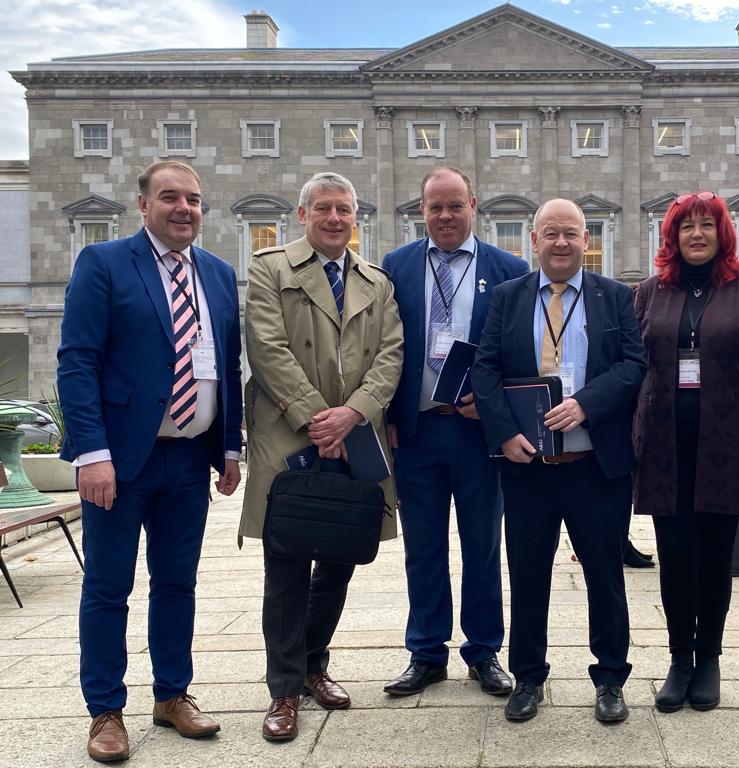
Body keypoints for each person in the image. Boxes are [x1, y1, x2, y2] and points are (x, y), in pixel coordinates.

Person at [57, 160, 243, 762]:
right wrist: (91, 452)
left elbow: (227, 366)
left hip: (189, 459)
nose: (184, 208)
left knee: (177, 585)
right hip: (120, 462)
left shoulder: (216, 273)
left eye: (193, 199)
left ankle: (172, 695)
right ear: (143, 205)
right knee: (108, 587)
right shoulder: (104, 263)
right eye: (170, 197)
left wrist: (230, 446)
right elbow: (77, 361)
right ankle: (105, 710)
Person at [238, 172, 403, 741]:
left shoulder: (375, 282)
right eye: (324, 209)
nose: (335, 219)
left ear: (355, 219)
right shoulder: (270, 268)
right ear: (302, 215)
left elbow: (391, 355)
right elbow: (266, 348)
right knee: (286, 566)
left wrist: (352, 414)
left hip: (354, 439)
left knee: (339, 559)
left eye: (345, 210)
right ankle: (283, 689)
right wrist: (317, 417)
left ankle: (314, 664)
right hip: (292, 437)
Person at [473, 198, 646, 723]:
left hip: (595, 466)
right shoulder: (508, 297)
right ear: (534, 240)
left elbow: (635, 363)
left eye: (571, 233)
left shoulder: (615, 296)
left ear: (587, 239)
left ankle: (611, 678)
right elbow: (485, 369)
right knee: (527, 576)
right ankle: (528, 677)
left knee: (604, 576)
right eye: (551, 233)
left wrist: (586, 404)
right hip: (527, 468)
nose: (562, 243)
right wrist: (503, 435)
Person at [632, 191, 739, 714]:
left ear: (723, 234)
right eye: (686, 227)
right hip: (665, 447)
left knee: (717, 558)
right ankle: (679, 659)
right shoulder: (651, 292)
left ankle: (709, 658)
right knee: (674, 558)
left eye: (706, 226)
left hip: (728, 447)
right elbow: (635, 371)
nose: (696, 235)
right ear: (671, 237)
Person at [380, 167, 527, 697]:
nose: (445, 216)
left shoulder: (508, 270)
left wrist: (494, 405)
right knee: (423, 547)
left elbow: (521, 354)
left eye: (455, 206)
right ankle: (425, 652)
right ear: (422, 209)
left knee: (483, 545)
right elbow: (383, 349)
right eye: (435, 207)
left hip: (478, 436)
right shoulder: (394, 267)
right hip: (416, 432)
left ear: (474, 205)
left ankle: (484, 651)